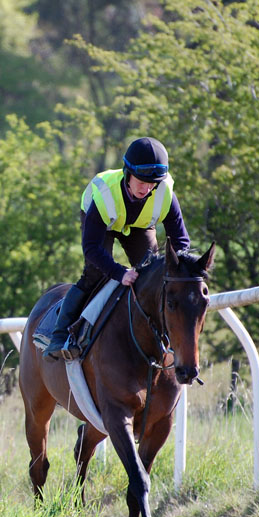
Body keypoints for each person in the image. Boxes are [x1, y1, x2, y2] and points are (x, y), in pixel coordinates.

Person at [43, 137, 192, 361]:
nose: (147, 188)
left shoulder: (165, 193)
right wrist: (119, 273)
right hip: (101, 222)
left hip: (139, 225)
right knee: (95, 273)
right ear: (127, 174)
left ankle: (160, 335)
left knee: (153, 273)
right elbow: (91, 248)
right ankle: (59, 335)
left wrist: (182, 274)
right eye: (141, 181)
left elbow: (181, 242)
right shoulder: (105, 195)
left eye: (153, 183)